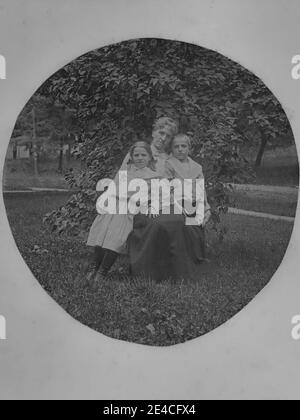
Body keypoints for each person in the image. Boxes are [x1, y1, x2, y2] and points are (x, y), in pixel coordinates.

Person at [127, 133, 211, 281]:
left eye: (183, 146)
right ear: (171, 149)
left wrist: (206, 209)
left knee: (193, 222)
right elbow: (166, 189)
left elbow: (201, 191)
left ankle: (191, 263)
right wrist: (180, 205)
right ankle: (162, 269)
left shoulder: (197, 167)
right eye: (176, 146)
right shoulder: (168, 164)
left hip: (193, 204)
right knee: (171, 222)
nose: (180, 149)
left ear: (189, 148)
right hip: (174, 202)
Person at [85, 141, 159, 286]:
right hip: (114, 205)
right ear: (130, 157)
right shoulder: (125, 171)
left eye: (143, 155)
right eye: (136, 155)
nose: (139, 158)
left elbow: (154, 196)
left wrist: (151, 206)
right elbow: (113, 188)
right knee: (103, 230)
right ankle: (94, 266)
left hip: (130, 209)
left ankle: (103, 271)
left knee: (116, 235)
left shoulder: (153, 176)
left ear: (149, 157)